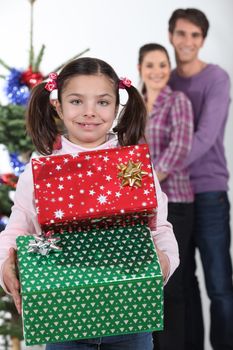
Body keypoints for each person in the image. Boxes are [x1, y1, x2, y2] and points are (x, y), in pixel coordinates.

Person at [0, 57, 179, 350]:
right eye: (76, 101)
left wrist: (166, 261)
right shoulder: (42, 165)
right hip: (63, 319)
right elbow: (18, 226)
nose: (89, 113)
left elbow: (160, 227)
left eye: (103, 103)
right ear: (58, 105)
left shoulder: (132, 162)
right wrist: (5, 265)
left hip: (130, 316)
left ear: (117, 107)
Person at [169, 8, 233, 350]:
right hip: (175, 196)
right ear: (171, 36)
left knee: (220, 285)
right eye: (181, 34)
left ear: (203, 40)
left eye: (195, 35)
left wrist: (162, 166)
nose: (187, 42)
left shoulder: (217, 79)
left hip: (208, 191)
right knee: (185, 284)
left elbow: (206, 136)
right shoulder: (165, 79)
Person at [138, 43, 194, 350]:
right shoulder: (134, 105)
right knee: (148, 284)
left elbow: (180, 148)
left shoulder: (178, 101)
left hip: (177, 203)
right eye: (150, 65)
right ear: (140, 69)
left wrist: (148, 182)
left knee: (172, 284)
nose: (157, 71)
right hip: (142, 209)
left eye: (162, 65)